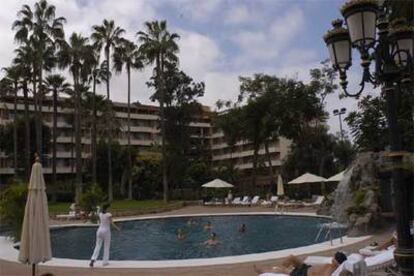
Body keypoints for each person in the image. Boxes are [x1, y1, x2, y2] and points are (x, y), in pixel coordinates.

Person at [254, 251, 347, 276]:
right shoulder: (330, 266)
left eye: (335, 258)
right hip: (306, 268)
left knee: (282, 270)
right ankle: (279, 269)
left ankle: (263, 271)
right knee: (291, 257)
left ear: (337, 262)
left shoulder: (331, 271)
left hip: (302, 274)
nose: (332, 258)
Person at [89, 203, 120, 267]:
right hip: (106, 232)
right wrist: (117, 228)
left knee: (97, 246)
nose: (110, 209)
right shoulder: (109, 215)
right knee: (106, 246)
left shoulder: (100, 214)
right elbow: (112, 223)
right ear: (107, 208)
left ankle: (93, 259)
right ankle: (105, 262)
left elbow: (99, 219)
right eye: (109, 207)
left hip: (99, 231)